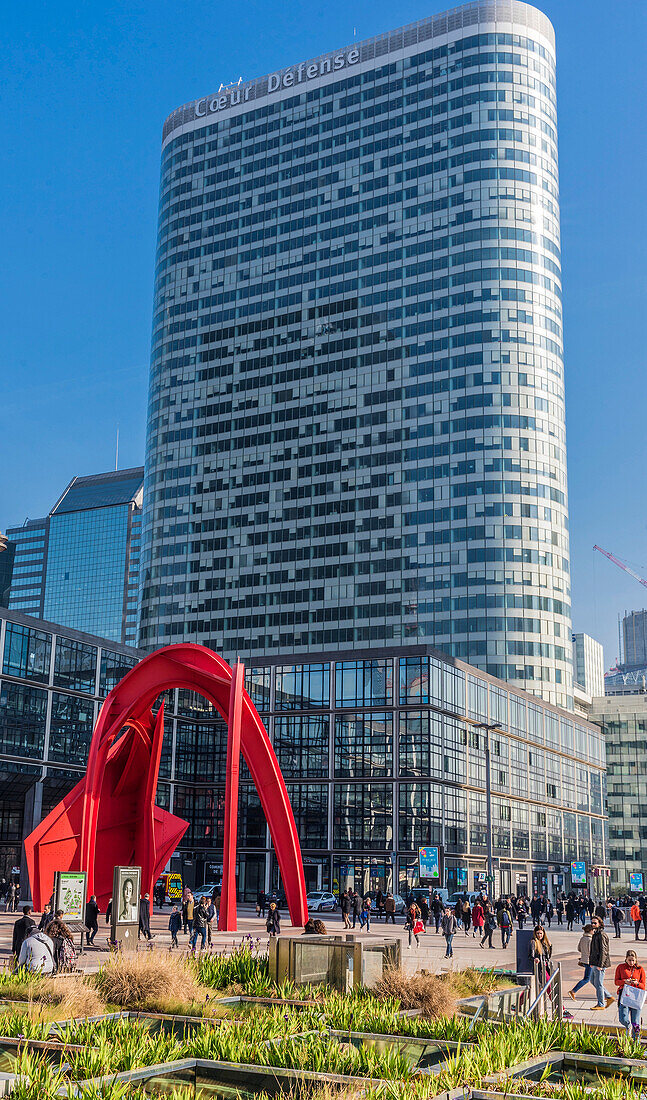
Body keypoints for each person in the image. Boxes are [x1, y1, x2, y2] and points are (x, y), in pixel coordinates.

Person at [614, 949, 646, 1038]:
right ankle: (628, 1026)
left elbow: (643, 985)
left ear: (636, 960)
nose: (631, 962)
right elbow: (616, 982)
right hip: (624, 995)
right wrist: (624, 981)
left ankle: (636, 1044)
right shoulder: (621, 967)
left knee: (636, 1022)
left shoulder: (640, 969)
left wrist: (636, 983)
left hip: (636, 997)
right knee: (622, 1018)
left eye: (633, 960)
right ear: (626, 959)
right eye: (629, 960)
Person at [589, 916, 615, 1011]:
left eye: (595, 923)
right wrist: (591, 962)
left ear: (600, 923)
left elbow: (604, 951)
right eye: (592, 922)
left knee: (599, 983)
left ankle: (601, 1003)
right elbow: (593, 950)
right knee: (592, 980)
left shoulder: (602, 935)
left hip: (600, 963)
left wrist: (601, 964)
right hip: (595, 962)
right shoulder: (596, 934)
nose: (593, 924)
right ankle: (608, 996)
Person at [568, 924, 594, 999]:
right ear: (590, 931)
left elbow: (579, 948)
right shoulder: (590, 939)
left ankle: (604, 995)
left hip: (584, 960)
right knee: (587, 979)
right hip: (590, 961)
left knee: (591, 978)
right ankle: (573, 991)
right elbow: (591, 951)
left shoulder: (582, 938)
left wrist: (584, 952)